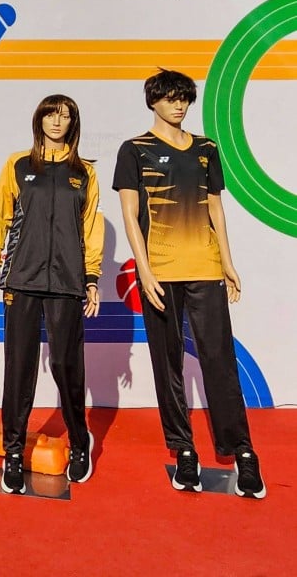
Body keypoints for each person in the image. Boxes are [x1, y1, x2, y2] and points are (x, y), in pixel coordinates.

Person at [113, 69, 265, 499]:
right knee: (169, 365)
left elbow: (215, 206)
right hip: (159, 272)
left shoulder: (206, 149)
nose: (178, 105)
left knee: (219, 360)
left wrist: (228, 263)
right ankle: (183, 451)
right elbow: (129, 215)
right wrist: (143, 269)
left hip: (205, 267)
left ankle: (243, 453)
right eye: (170, 98)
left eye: (184, 98)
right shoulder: (134, 149)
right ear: (153, 102)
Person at [0, 94, 103, 494]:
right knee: (19, 368)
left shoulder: (84, 172)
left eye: (65, 116)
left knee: (67, 367)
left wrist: (92, 278)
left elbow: (90, 229)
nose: (56, 121)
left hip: (67, 282)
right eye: (51, 114)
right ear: (39, 119)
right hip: (22, 279)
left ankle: (79, 443)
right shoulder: (18, 165)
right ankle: (13, 450)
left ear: (73, 123)